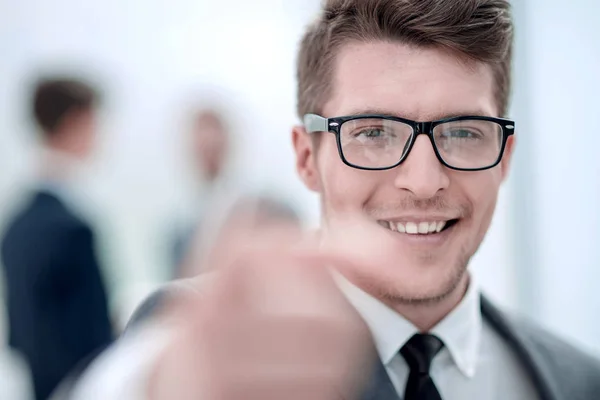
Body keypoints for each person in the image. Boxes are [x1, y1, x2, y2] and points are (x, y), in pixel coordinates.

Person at [73, 0, 600, 399]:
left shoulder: (577, 380)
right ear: (307, 158)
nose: (423, 180)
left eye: (463, 133)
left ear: (505, 158)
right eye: (373, 133)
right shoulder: (204, 349)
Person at [1, 77, 114, 399]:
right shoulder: (71, 227)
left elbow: (21, 335)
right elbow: (93, 343)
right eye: (94, 124)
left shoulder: (16, 223)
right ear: (75, 123)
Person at [170, 108, 232, 278]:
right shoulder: (179, 217)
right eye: (204, 147)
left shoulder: (244, 206)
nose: (208, 153)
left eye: (214, 148)